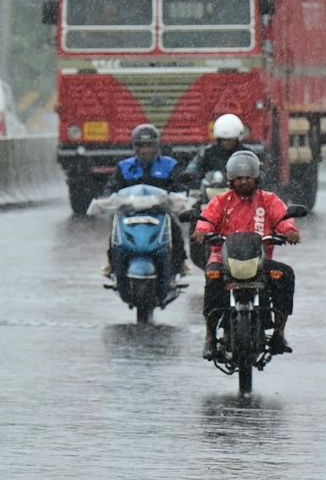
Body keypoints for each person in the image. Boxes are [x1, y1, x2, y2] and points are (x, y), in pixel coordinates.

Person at [192, 150, 300, 359]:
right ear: (231, 179)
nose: (243, 182)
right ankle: (210, 337)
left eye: (248, 178)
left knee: (285, 275)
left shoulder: (269, 200)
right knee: (213, 280)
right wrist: (202, 232)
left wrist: (290, 231)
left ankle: (279, 332)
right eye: (239, 178)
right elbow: (206, 220)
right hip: (223, 261)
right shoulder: (221, 202)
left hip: (260, 262)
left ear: (256, 178)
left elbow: (283, 218)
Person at [102, 123, 187, 278]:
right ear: (135, 147)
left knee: (175, 229)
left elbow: (179, 186)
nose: (146, 150)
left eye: (150, 146)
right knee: (115, 230)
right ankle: (112, 264)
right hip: (131, 212)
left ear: (157, 146)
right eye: (142, 146)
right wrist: (109, 198)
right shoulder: (124, 167)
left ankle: (180, 264)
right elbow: (111, 187)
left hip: (160, 212)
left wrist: (178, 198)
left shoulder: (170, 165)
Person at [184, 114, 248, 182]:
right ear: (218, 139)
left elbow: (256, 171)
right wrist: (189, 174)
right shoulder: (208, 152)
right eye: (223, 140)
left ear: (237, 139)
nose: (226, 143)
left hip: (239, 189)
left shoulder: (246, 154)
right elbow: (195, 165)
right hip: (210, 189)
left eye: (230, 140)